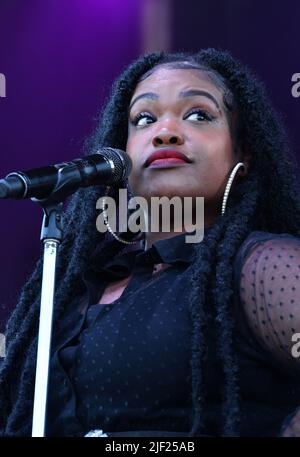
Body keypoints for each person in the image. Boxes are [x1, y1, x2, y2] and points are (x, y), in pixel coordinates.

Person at [0, 48, 300, 437]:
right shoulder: (71, 293)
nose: (165, 132)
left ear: (242, 151)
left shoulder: (261, 266)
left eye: (199, 115)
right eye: (144, 118)